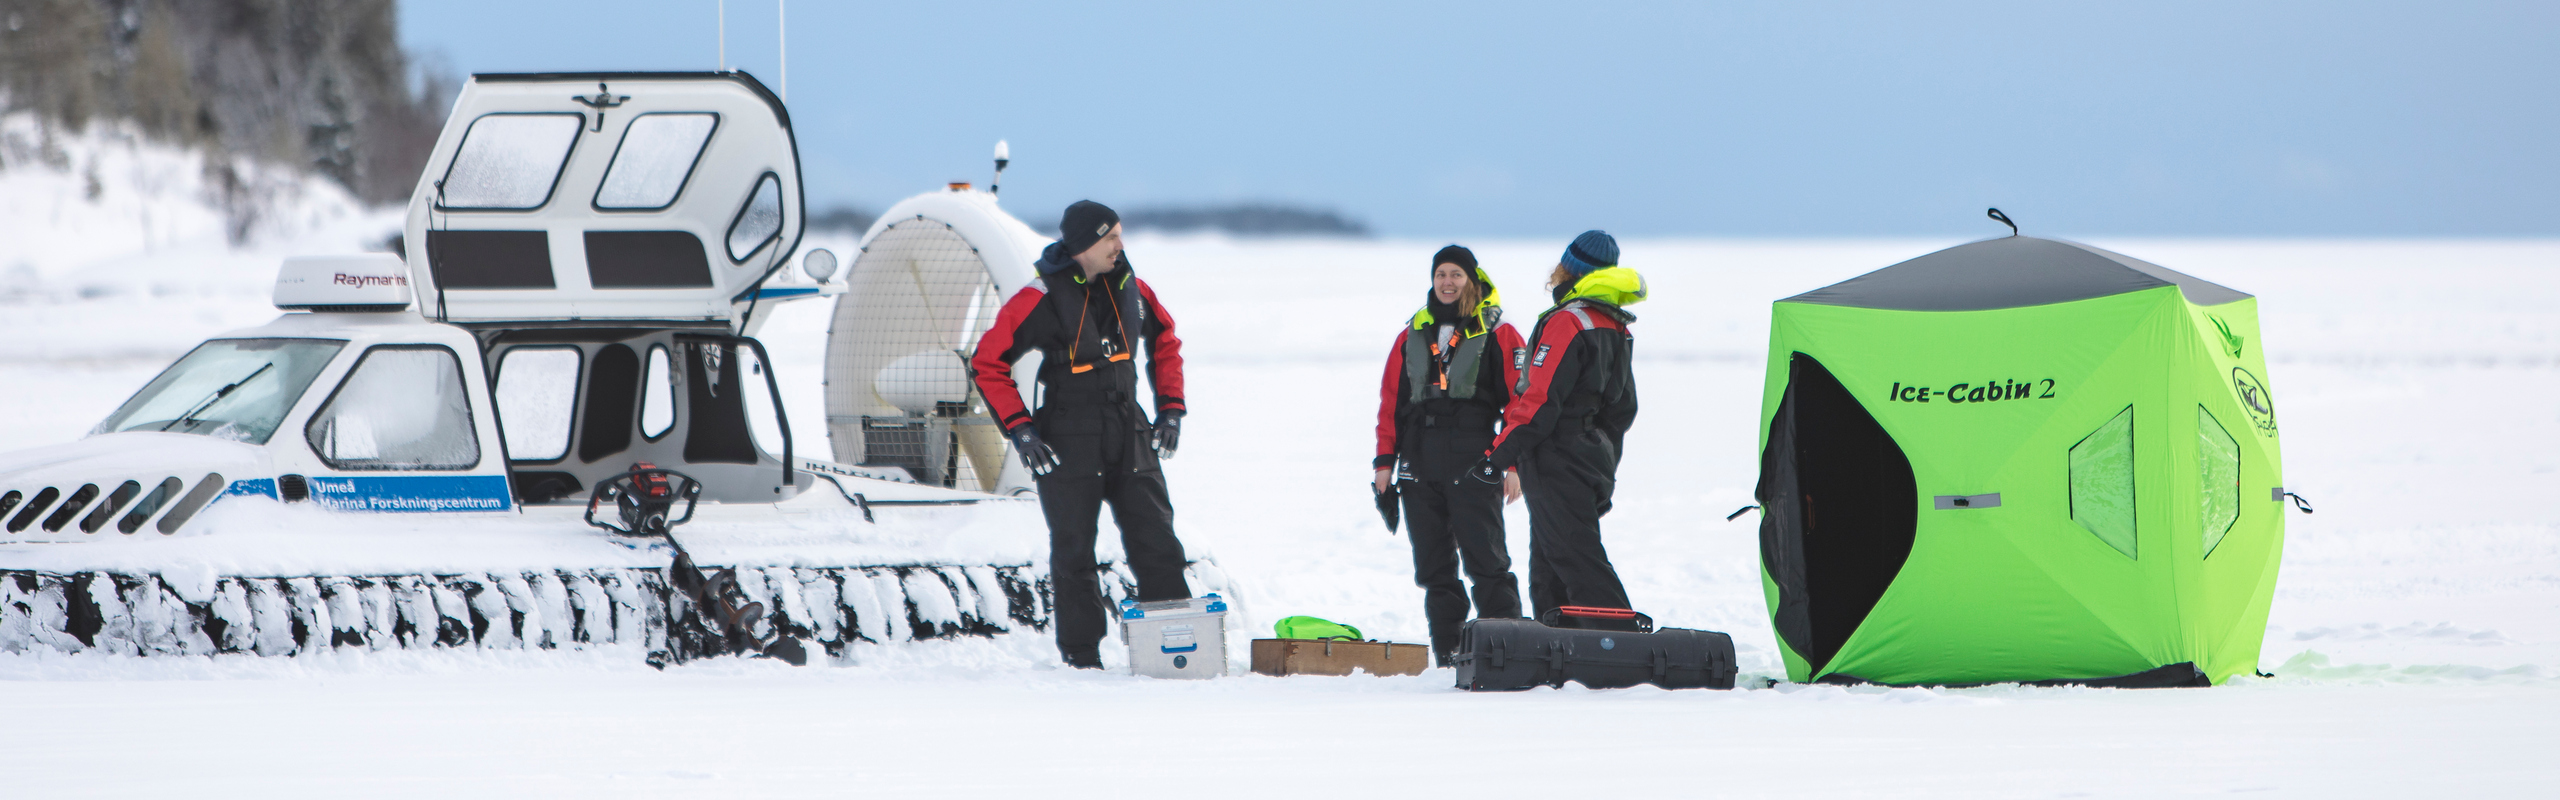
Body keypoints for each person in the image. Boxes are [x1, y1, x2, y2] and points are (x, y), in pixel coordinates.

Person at [969, 200, 1191, 668]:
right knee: (1074, 552)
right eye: (1111, 237)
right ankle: (1082, 658)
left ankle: (1175, 651)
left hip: (1130, 429)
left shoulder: (1134, 288)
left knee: (1158, 544)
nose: (1120, 245)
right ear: (1086, 244)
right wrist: (1022, 430)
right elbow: (988, 363)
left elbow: (1166, 340)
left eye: (1120, 235)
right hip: (1067, 439)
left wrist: (1170, 410)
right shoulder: (1038, 298)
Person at [1473, 230, 1645, 619]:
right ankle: (1558, 648)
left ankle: (1620, 647)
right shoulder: (1615, 324)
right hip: (1588, 456)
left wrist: (1497, 457)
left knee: (1575, 558)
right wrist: (1602, 459)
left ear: (1569, 268)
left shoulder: (1568, 321)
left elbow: (1537, 403)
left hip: (1556, 456)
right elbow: (1623, 409)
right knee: (1548, 564)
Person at [1373, 245, 1527, 666]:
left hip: (1475, 460)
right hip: (1419, 465)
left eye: (1456, 274)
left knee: (1488, 564)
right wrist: (1384, 464)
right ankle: (1449, 656)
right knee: (1434, 570)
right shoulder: (1411, 334)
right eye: (1440, 274)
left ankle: (1509, 655)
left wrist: (1512, 464)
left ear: (1472, 281)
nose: (1447, 282)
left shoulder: (1500, 332)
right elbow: (1392, 403)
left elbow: (1520, 404)